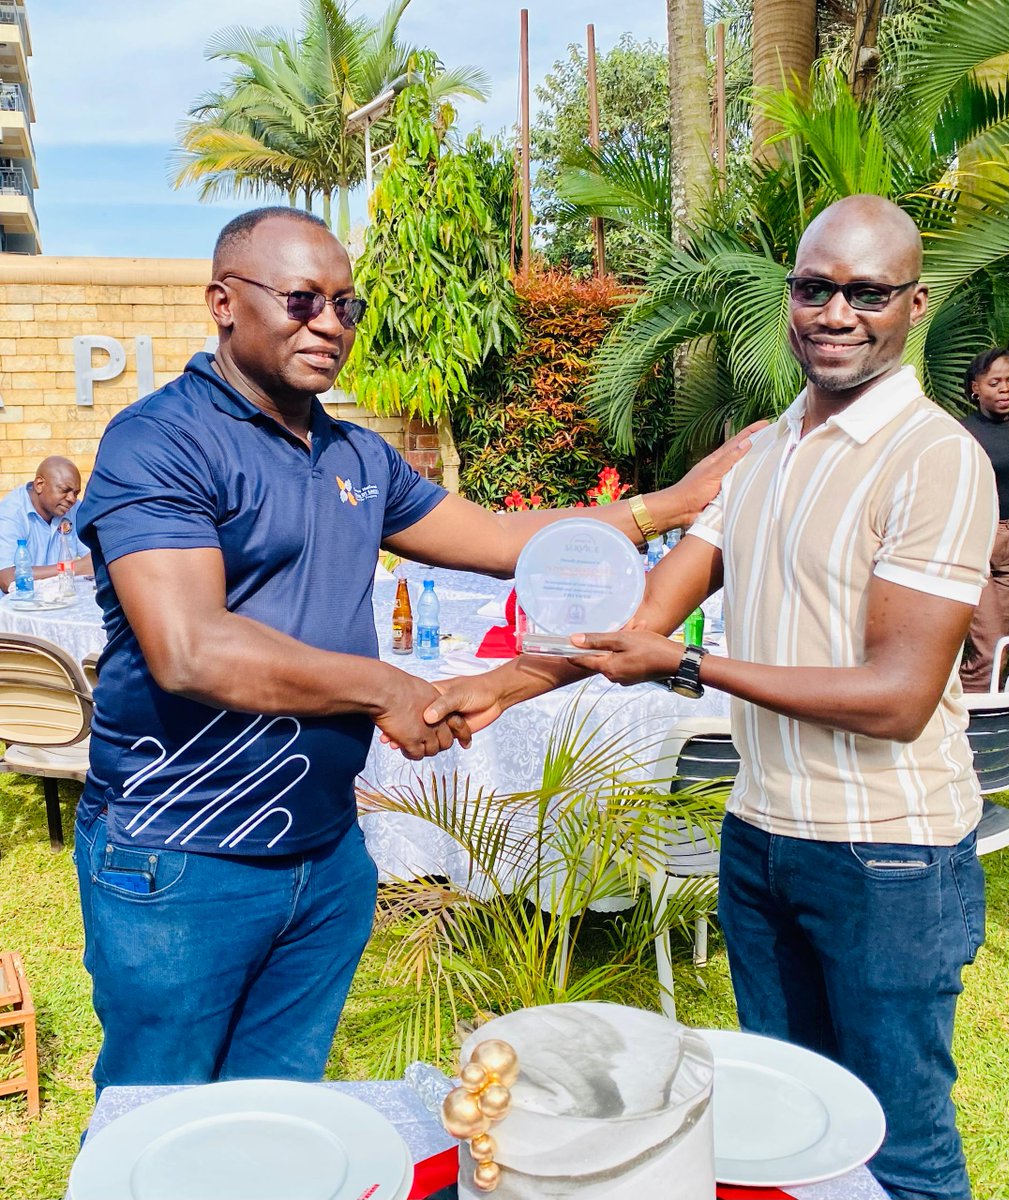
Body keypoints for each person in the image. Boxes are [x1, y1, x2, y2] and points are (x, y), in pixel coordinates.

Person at [73, 205, 757, 1093]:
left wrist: (665, 506)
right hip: (182, 856)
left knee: (277, 1116)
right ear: (222, 302)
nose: (329, 324)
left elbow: (497, 538)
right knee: (156, 1121)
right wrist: (382, 689)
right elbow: (190, 650)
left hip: (322, 857)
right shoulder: (160, 440)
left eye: (347, 306)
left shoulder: (357, 453)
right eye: (301, 299)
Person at [428, 196, 997, 1200]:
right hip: (762, 837)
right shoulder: (765, 450)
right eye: (813, 287)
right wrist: (502, 688)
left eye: (864, 293)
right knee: (793, 1127)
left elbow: (898, 697)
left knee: (899, 1150)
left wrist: (688, 670)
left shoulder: (932, 457)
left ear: (912, 304)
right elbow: (645, 613)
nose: (833, 312)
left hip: (886, 856)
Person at [958, 348, 1009, 691]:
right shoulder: (960, 432)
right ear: (976, 387)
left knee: (1000, 648)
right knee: (988, 650)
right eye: (994, 382)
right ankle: (960, 726)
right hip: (977, 541)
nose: (1005, 389)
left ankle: (975, 726)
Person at [0, 456, 92, 591]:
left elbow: (92, 560)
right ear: (39, 485)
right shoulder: (11, 513)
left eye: (76, 493)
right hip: (19, 606)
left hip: (60, 599)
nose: (71, 499)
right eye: (64, 490)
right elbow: (7, 579)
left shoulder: (74, 509)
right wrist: (72, 567)